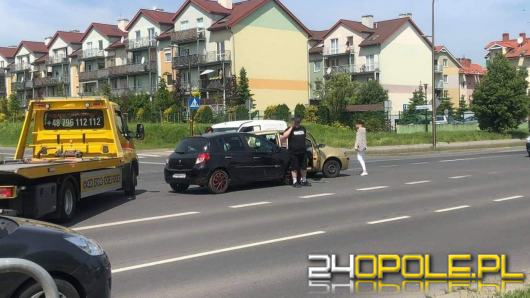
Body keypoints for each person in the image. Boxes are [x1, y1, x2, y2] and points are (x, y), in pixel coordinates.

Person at [281, 116, 311, 188]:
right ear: (293, 122)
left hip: (303, 152)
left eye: (298, 121)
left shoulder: (303, 128)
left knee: (304, 167)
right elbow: (284, 137)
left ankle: (303, 180)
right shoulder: (290, 129)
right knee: (294, 167)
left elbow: (304, 137)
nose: (297, 122)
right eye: (296, 121)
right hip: (293, 152)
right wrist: (292, 127)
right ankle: (295, 181)